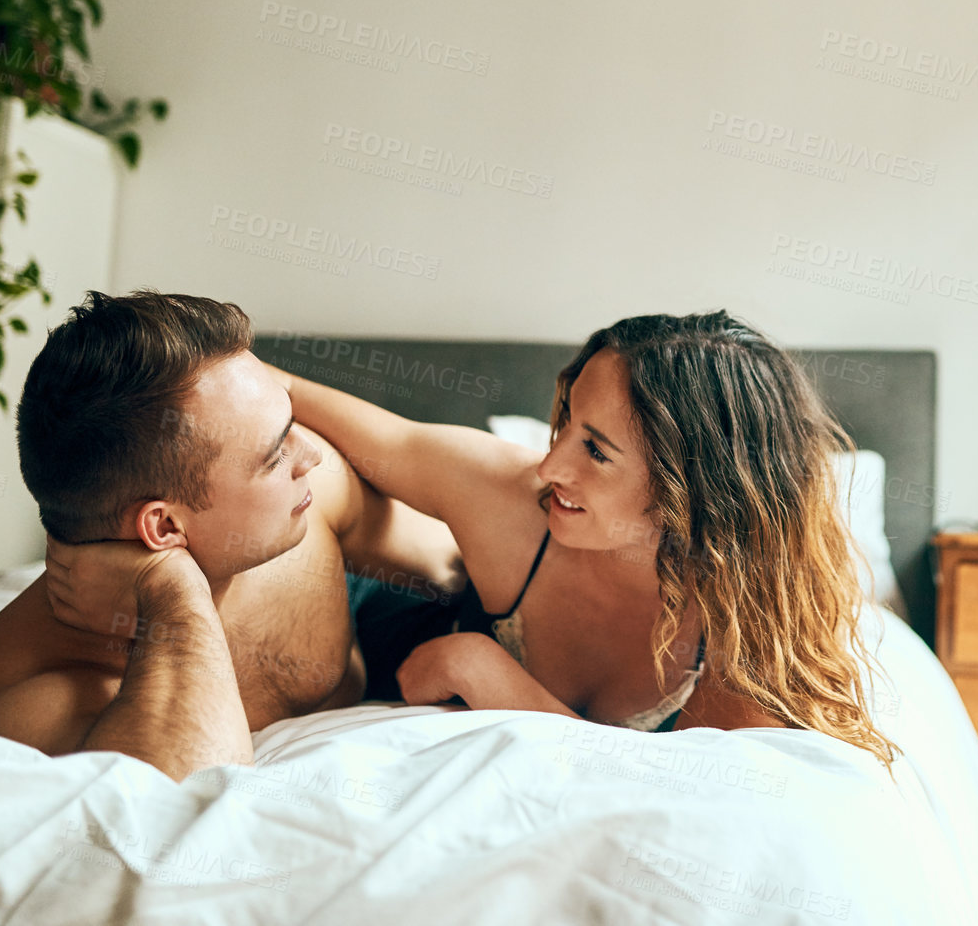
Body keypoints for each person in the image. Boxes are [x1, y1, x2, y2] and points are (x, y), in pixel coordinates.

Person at [277, 311, 900, 764]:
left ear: (699, 487)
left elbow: (676, 791)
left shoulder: (750, 634)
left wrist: (482, 667)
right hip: (358, 630)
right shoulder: (512, 494)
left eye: (596, 452)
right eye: (567, 422)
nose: (550, 469)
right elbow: (352, 425)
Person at [0, 291, 462, 780]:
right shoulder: (26, 683)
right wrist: (170, 587)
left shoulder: (310, 493)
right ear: (166, 527)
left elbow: (460, 566)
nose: (312, 455)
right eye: (273, 454)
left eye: (290, 426)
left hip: (382, 611)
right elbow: (188, 792)